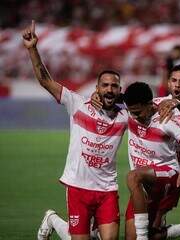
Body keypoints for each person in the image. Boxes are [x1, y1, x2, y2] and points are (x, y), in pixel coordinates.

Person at [23, 20, 128, 240]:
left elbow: (146, 103)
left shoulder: (124, 115)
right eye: (105, 85)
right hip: (78, 187)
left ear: (119, 90)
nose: (109, 89)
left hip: (107, 189)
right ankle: (52, 218)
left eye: (114, 86)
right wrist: (33, 49)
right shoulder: (78, 104)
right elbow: (45, 80)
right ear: (97, 88)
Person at [123, 82, 180, 240]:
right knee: (144, 236)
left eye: (138, 112)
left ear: (149, 104)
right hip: (145, 183)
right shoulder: (131, 109)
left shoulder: (165, 120)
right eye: (131, 113)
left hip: (167, 175)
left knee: (132, 177)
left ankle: (142, 237)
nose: (134, 117)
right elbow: (111, 97)